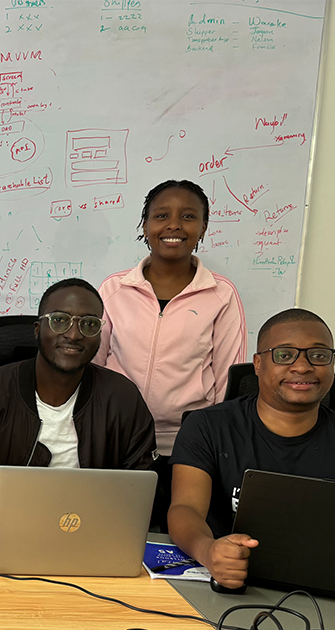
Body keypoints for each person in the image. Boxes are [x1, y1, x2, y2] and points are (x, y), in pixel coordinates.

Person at [168, 309, 335, 588]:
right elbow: (185, 508)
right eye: (284, 355)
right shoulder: (207, 427)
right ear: (258, 363)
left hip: (331, 593)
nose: (302, 367)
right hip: (228, 584)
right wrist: (208, 551)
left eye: (319, 355)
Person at [94, 180, 246, 526]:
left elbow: (228, 380)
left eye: (188, 216)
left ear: (203, 227)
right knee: (112, 532)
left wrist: (212, 444)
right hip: (118, 441)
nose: (174, 225)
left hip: (187, 447)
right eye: (162, 215)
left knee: (174, 541)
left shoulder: (220, 295)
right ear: (145, 225)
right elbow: (93, 366)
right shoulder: (114, 289)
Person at [0, 279, 158, 524]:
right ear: (37, 329)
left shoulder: (122, 399)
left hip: (90, 536)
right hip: (3, 531)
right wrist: (21, 524)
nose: (74, 335)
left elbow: (136, 492)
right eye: (60, 320)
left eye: (89, 324)